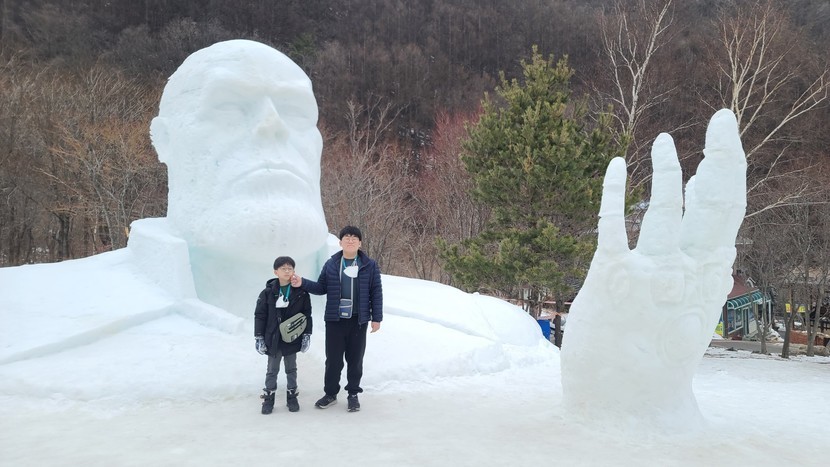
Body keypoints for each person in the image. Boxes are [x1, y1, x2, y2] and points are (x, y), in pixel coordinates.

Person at [292, 226, 382, 412]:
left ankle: (353, 394)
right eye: (347, 237)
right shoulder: (332, 264)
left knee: (355, 359)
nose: (350, 240)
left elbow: (376, 292)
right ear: (340, 242)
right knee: (333, 360)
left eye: (354, 237)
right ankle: (330, 394)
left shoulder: (369, 265)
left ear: (360, 243)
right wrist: (303, 283)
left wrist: (376, 318)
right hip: (335, 320)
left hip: (358, 320)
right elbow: (321, 287)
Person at [254, 256, 312, 414]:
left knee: (291, 368)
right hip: (273, 338)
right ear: (276, 272)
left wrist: (307, 334)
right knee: (272, 369)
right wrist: (259, 337)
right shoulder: (267, 293)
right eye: (283, 269)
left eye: (290, 268)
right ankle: (269, 398)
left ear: (294, 271)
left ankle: (292, 397)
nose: (287, 271)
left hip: (292, 337)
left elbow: (307, 315)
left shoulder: (301, 293)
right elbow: (260, 316)